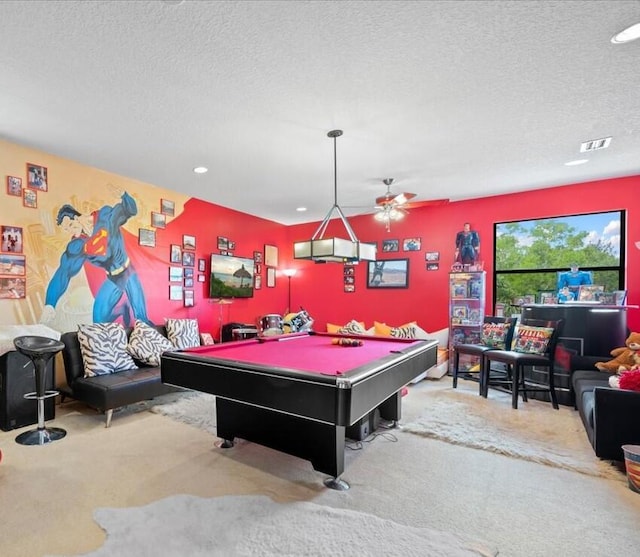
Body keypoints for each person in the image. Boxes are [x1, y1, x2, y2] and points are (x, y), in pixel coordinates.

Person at [40, 189, 151, 326]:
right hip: (113, 279)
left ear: (78, 218)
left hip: (128, 272)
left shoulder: (105, 217)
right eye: (66, 229)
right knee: (98, 320)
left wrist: (124, 195)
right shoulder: (77, 245)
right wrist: (50, 303)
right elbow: (64, 272)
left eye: (70, 225)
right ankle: (122, 309)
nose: (70, 231)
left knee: (142, 320)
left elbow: (129, 210)